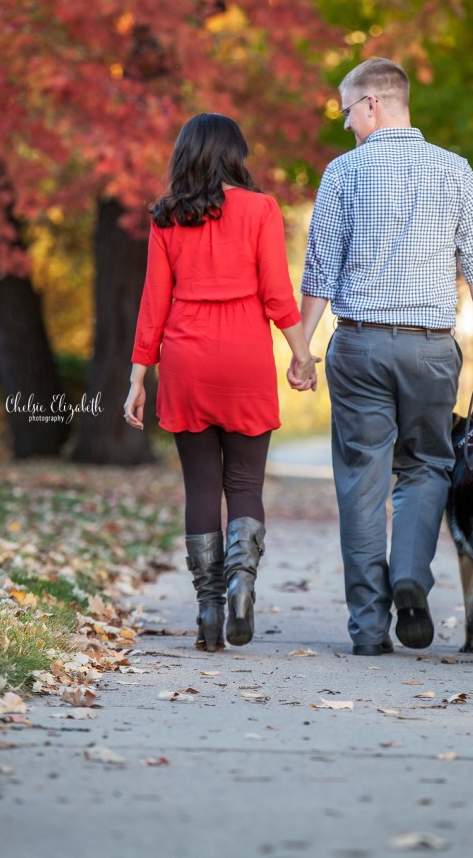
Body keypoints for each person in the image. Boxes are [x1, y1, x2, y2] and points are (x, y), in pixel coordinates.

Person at [290, 57, 473, 657]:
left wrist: (302, 348)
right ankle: (410, 574)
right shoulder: (456, 171)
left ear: (372, 104)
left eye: (347, 112)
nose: (346, 125)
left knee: (362, 481)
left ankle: (367, 629)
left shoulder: (344, 175)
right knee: (426, 466)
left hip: (358, 345)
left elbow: (320, 274)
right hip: (432, 348)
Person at [124, 113, 317, 653]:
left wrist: (138, 376)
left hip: (186, 358)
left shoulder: (166, 218)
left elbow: (153, 302)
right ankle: (241, 583)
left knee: (202, 486)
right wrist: (302, 357)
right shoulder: (261, 209)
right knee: (245, 485)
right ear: (235, 153)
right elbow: (278, 293)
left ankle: (208, 608)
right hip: (244, 357)